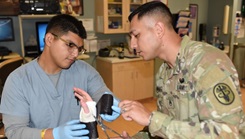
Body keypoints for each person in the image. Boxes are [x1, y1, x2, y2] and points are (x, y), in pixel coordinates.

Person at [114, 1, 245, 139]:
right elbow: (166, 129)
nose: (133, 45)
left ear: (158, 30)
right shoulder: (164, 72)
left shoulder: (207, 62)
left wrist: (152, 119)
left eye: (136, 35)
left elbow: (228, 133)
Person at [0, 14, 121, 139]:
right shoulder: (18, 80)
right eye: (70, 45)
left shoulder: (84, 71)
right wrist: (53, 134)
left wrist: (113, 104)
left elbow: (101, 92)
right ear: (49, 39)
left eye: (79, 49)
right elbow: (14, 132)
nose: (75, 54)